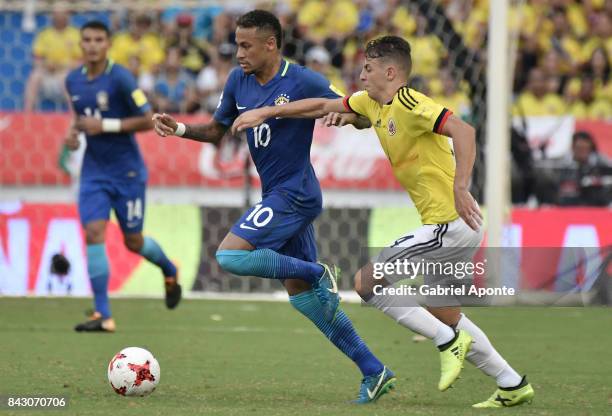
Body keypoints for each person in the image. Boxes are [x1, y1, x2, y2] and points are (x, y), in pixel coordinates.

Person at [232, 35, 535, 408]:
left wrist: (460, 185)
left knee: (366, 282)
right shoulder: (371, 104)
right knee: (445, 311)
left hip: (448, 224)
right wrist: (267, 112)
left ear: (390, 72)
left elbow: (464, 130)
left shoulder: (409, 102)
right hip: (455, 227)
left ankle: (447, 342)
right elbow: (321, 104)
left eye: (368, 69)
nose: (360, 76)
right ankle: (511, 382)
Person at [153, 10, 395, 404]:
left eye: (246, 45)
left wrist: (345, 115)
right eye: (237, 44)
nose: (239, 53)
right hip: (277, 195)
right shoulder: (238, 81)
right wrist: (178, 129)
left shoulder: (302, 80)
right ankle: (374, 370)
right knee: (302, 295)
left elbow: (361, 114)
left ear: (271, 44)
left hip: (294, 193)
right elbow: (217, 132)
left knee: (230, 255)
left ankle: (318, 270)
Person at [64, 21, 181, 333]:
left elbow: (148, 119)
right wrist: (73, 134)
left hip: (127, 173)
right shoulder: (73, 80)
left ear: (108, 44)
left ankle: (169, 270)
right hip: (93, 172)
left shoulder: (121, 78)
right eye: (86, 40)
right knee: (93, 233)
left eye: (98, 40)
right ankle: (103, 314)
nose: (91, 45)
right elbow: (79, 118)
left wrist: (106, 127)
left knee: (133, 241)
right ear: (80, 44)